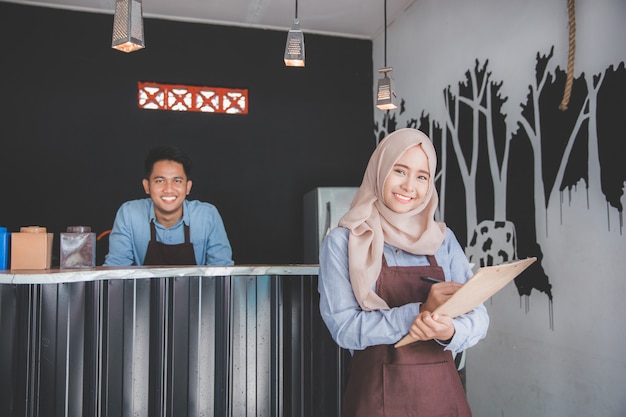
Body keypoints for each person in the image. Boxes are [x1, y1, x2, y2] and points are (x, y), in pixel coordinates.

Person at [318, 128, 489, 417]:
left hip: (443, 396)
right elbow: (344, 329)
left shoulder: (444, 240)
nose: (410, 186)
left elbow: (479, 317)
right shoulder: (343, 241)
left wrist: (450, 331)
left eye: (422, 176)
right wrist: (419, 312)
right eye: (399, 171)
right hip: (376, 398)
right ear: (380, 170)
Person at [104, 145, 233, 266]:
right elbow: (115, 273)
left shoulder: (207, 216)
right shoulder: (129, 214)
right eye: (160, 181)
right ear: (147, 186)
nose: (168, 189)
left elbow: (222, 273)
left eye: (177, 181)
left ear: (188, 187)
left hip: (197, 291)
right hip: (144, 291)